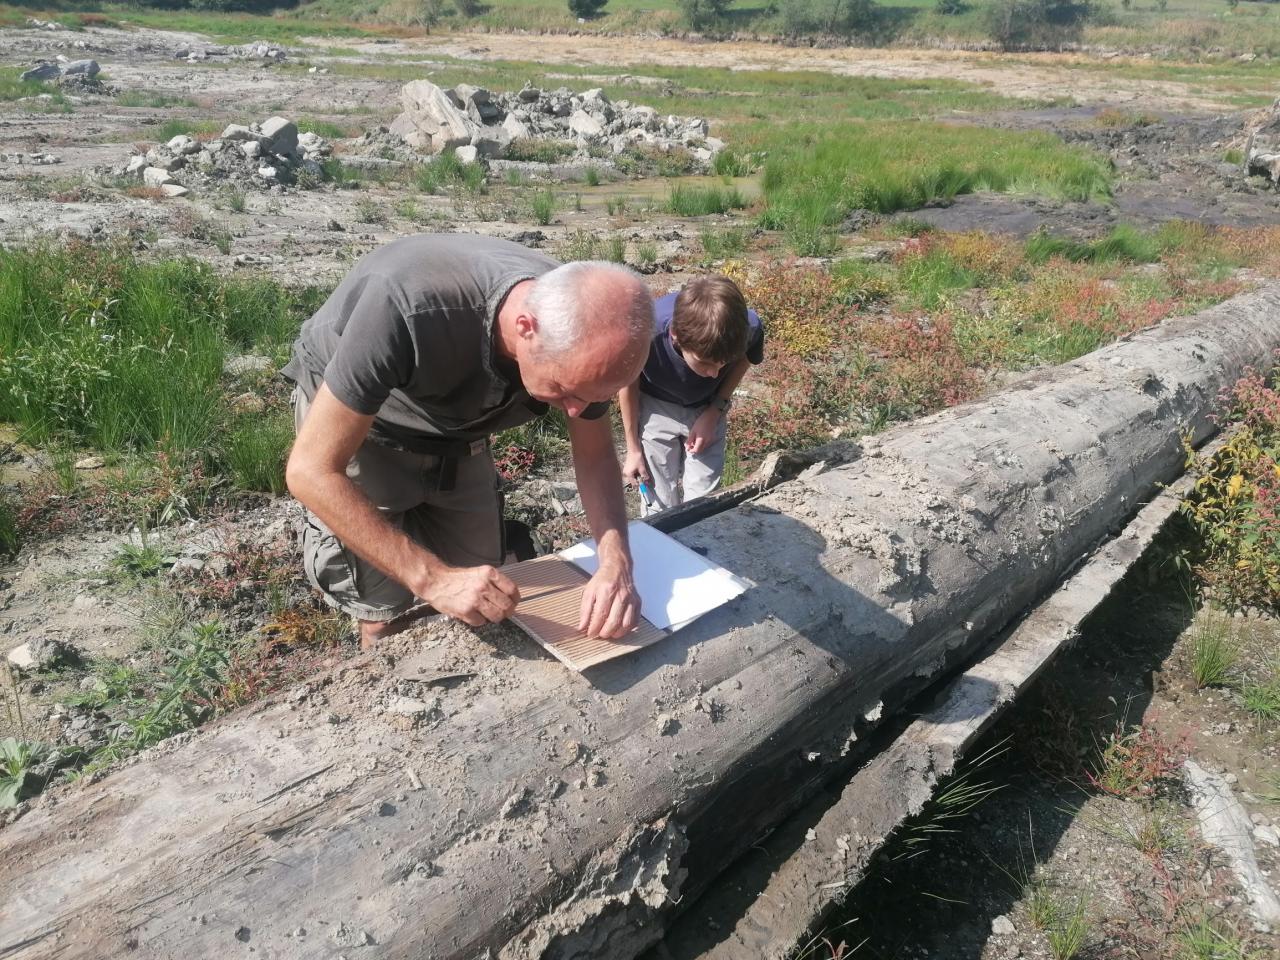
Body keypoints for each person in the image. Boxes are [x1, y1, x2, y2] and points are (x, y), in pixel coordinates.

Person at [283, 234, 654, 650]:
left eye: (591, 398)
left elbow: (595, 453)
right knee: (386, 606)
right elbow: (310, 471)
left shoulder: (590, 333)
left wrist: (616, 561)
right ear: (526, 328)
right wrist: (432, 579)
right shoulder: (406, 306)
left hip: (459, 428)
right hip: (366, 427)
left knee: (486, 590)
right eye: (564, 390)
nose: (575, 410)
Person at [619, 276, 764, 515]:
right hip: (656, 405)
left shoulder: (747, 327)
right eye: (705, 362)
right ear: (675, 334)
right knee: (659, 502)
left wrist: (715, 410)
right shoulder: (645, 332)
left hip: (707, 406)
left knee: (703, 504)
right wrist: (633, 449)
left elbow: (745, 360)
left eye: (723, 363)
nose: (714, 373)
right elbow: (627, 384)